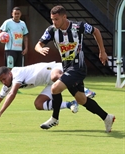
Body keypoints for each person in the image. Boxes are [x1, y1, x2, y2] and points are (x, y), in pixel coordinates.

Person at [34, 5, 115, 133]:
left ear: (64, 17)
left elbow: (96, 31)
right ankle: (107, 117)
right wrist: (40, 49)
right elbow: (38, 45)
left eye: (56, 19)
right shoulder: (51, 31)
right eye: (52, 19)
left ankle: (55, 118)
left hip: (78, 67)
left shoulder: (78, 27)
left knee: (55, 88)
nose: (54, 22)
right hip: (67, 67)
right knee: (81, 99)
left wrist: (102, 51)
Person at [0, 61, 96, 125]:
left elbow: (12, 94)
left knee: (56, 77)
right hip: (48, 82)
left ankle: (85, 90)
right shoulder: (8, 83)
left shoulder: (17, 73)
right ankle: (70, 104)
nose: (3, 82)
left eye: (4, 79)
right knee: (38, 104)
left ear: (9, 73)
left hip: (54, 69)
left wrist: (0, 113)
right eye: (1, 81)